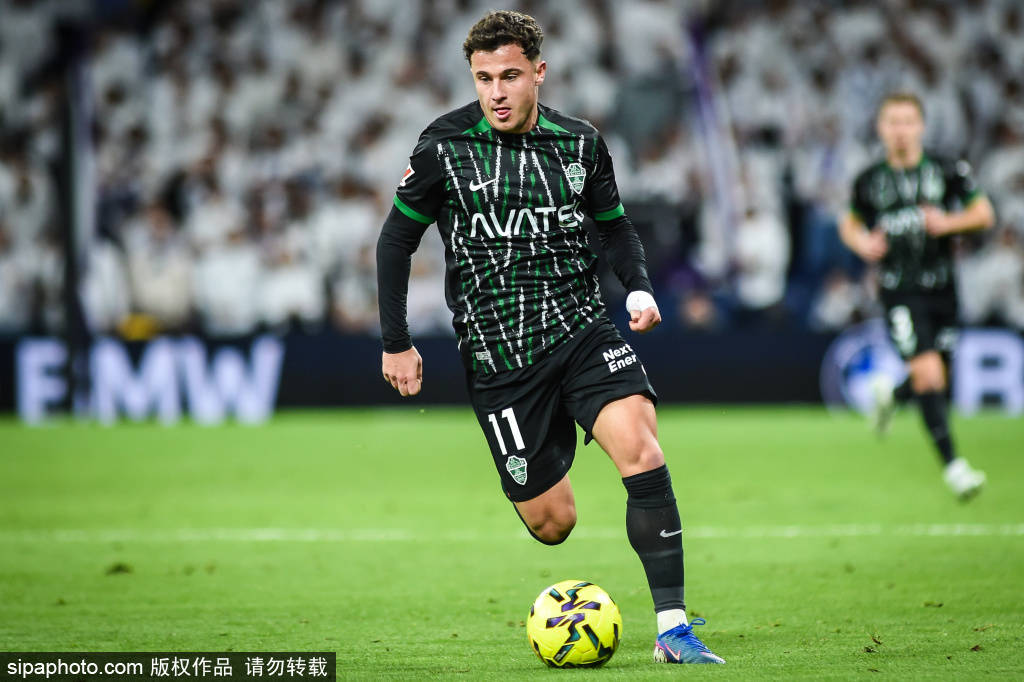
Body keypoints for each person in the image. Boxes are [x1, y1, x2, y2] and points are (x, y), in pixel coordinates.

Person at [376, 10, 724, 665]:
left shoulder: (580, 144)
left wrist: (639, 287)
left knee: (642, 449)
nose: (497, 92)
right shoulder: (443, 147)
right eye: (484, 79)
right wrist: (396, 341)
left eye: (509, 76)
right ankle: (554, 449)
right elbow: (396, 241)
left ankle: (672, 628)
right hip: (502, 357)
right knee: (553, 524)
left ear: (539, 72)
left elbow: (614, 225)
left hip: (581, 330)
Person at [839, 91, 995, 500]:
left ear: (921, 126)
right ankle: (955, 468)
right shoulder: (870, 180)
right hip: (899, 290)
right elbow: (849, 223)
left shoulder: (947, 169)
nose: (901, 130)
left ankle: (891, 396)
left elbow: (984, 213)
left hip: (943, 289)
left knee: (936, 375)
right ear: (881, 129)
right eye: (893, 122)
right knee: (929, 374)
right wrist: (861, 243)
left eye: (908, 121)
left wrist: (948, 223)